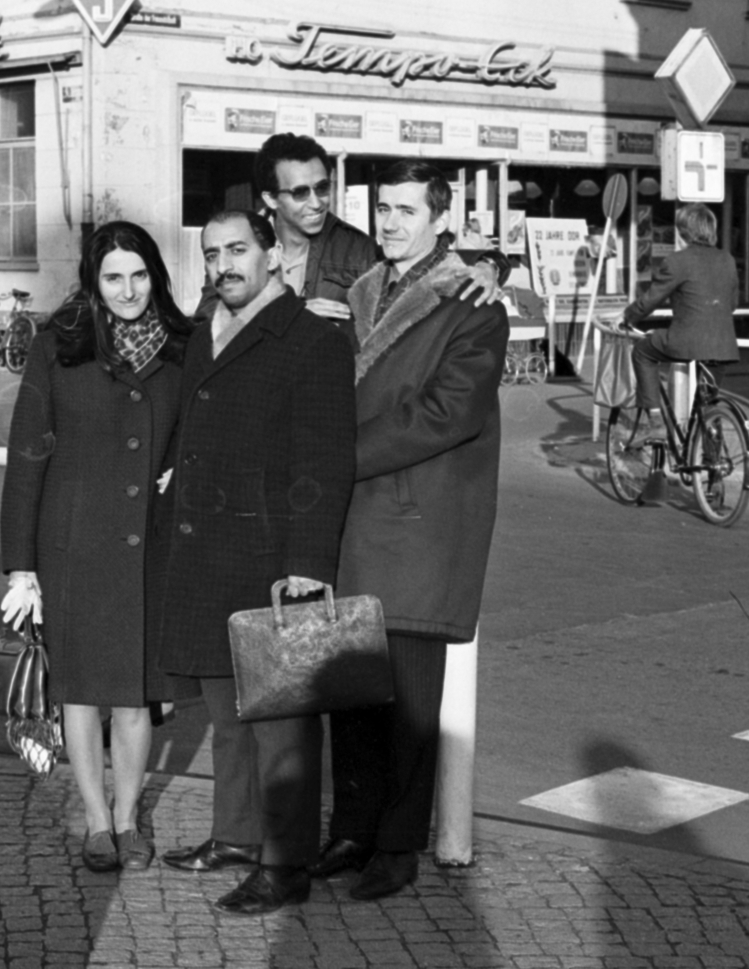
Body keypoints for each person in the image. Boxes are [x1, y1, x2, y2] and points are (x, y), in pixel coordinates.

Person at [313, 160, 509, 902]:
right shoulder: (362, 291)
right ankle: (354, 829)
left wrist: (340, 457)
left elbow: (447, 413)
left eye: (404, 210)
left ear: (439, 218)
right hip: (357, 520)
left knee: (411, 702)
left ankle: (398, 844)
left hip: (416, 524)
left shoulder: (471, 302)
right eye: (382, 209)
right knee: (353, 694)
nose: (390, 222)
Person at [151, 209, 355, 915]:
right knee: (226, 717)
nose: (224, 265)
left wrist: (308, 558)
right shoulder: (205, 328)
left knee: (281, 727)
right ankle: (235, 836)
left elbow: (325, 457)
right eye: (212, 254)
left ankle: (285, 862)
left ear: (273, 253)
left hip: (271, 559)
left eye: (238, 249)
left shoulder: (310, 338)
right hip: (206, 552)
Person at [0, 221, 192, 874]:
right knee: (79, 690)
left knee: (135, 692)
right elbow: (27, 452)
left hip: (148, 546)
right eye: (114, 276)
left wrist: (182, 468)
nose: (128, 289)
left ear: (154, 276)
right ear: (94, 279)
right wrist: (20, 564)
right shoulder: (60, 343)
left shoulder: (184, 344)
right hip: (73, 540)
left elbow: (203, 429)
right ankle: (96, 819)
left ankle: (131, 817)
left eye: (139, 274)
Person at [195, 133, 504, 326]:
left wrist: (489, 265)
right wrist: (289, 312)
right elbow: (208, 313)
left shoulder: (358, 249)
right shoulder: (241, 243)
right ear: (271, 198)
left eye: (322, 187)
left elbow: (430, 262)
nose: (317, 202)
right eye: (301, 192)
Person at [620, 202, 740, 436]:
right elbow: (732, 304)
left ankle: (655, 421)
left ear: (684, 231)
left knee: (643, 351)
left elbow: (650, 300)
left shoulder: (677, 261)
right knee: (707, 405)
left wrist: (626, 316)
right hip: (723, 345)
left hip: (686, 341)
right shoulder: (727, 259)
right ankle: (712, 462)